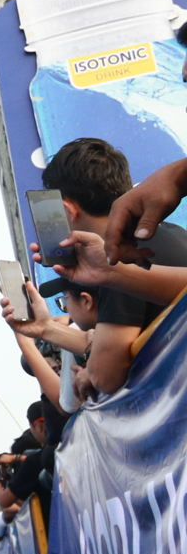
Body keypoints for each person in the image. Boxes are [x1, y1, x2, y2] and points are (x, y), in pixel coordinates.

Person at [34, 138, 187, 396]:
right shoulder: (175, 232)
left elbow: (105, 376)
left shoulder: (117, 259)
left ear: (66, 210)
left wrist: (90, 372)